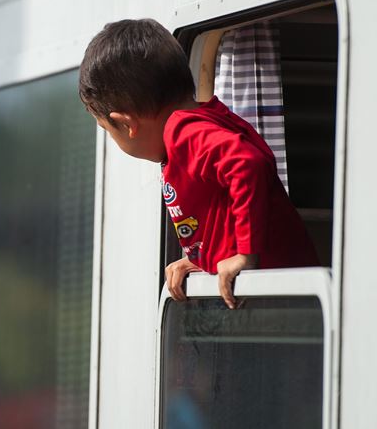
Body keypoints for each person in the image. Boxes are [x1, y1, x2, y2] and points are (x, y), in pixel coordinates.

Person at [78, 18, 319, 309]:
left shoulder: (184, 132)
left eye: (107, 130)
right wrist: (199, 261)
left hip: (280, 300)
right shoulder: (200, 122)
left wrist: (245, 254)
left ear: (126, 124)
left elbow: (248, 163)